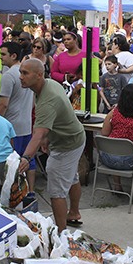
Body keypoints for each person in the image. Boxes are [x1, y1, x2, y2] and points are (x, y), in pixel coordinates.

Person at [18, 59, 86, 232]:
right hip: (74, 137)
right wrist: (48, 138)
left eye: (25, 73)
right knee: (71, 177)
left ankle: (61, 234)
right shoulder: (47, 84)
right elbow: (54, 119)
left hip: (67, 144)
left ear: (39, 75)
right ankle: (74, 213)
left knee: (56, 191)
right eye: (21, 72)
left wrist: (25, 158)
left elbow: (38, 133)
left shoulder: (48, 99)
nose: (21, 77)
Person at [0, 42, 35, 190]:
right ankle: (30, 191)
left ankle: (11, 191)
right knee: (28, 160)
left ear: (13, 56)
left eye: (3, 54)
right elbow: (33, 102)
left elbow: (3, 104)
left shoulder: (8, 75)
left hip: (11, 126)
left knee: (11, 162)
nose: (0, 57)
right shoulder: (27, 73)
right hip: (26, 124)